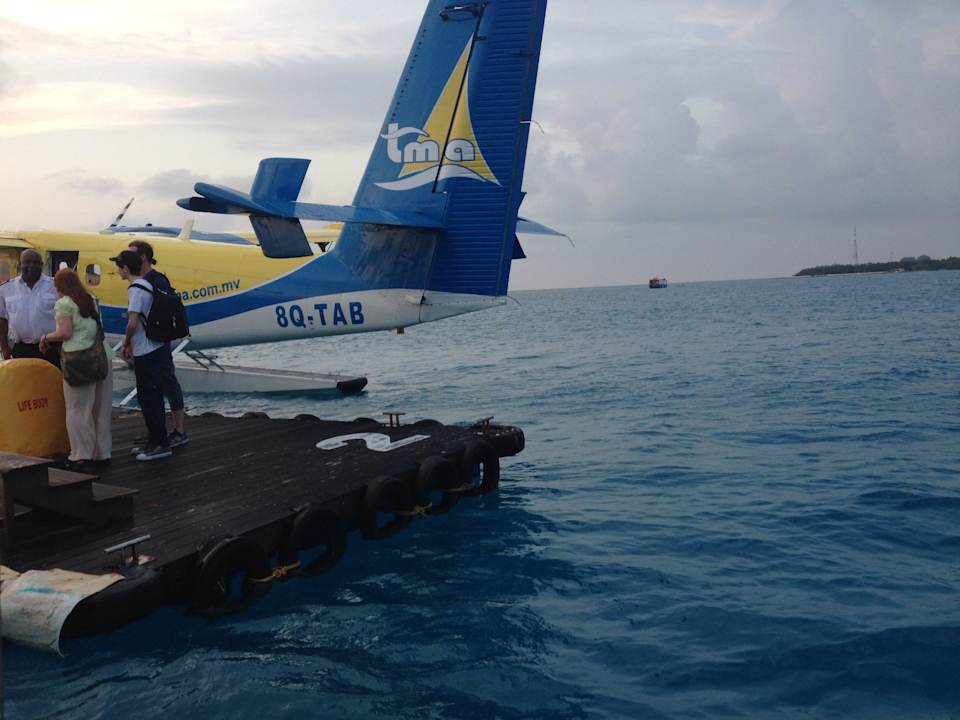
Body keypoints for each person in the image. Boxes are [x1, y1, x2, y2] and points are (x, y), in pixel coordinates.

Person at [39, 269, 113, 471]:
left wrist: (46, 338)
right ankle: (102, 453)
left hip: (80, 360)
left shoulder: (64, 304)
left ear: (59, 287)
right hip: (103, 356)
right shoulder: (90, 299)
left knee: (77, 409)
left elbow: (65, 332)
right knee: (101, 408)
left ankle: (81, 456)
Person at [110, 249, 172, 462]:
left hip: (145, 350)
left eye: (118, 266)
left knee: (149, 398)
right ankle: (155, 440)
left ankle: (160, 444)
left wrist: (125, 341)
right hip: (152, 347)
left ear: (126, 268)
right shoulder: (146, 285)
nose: (117, 270)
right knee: (150, 397)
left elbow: (133, 322)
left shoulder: (135, 289)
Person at [127, 240, 188, 447]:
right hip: (148, 343)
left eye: (132, 254)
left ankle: (178, 430)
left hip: (158, 342)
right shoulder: (142, 281)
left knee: (167, 381)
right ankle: (157, 430)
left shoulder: (155, 280)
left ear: (143, 257)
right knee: (154, 387)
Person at [0, 249, 60, 366]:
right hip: (20, 349)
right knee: (21, 383)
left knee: (50, 384)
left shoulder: (56, 286)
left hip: (50, 349)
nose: (31, 266)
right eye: (27, 262)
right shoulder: (5, 289)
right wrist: (4, 347)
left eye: (36, 263)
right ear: (20, 265)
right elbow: (2, 320)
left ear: (42, 265)